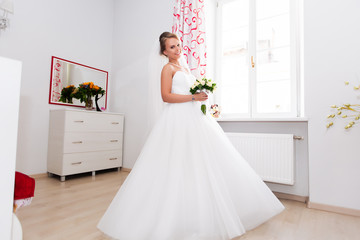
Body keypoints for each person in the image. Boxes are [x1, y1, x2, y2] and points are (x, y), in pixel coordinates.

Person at [97, 32, 284, 240]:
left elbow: (190, 92)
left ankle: (203, 211)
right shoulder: (167, 68)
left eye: (178, 45)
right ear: (164, 51)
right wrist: (193, 96)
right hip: (176, 118)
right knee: (176, 162)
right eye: (172, 47)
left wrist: (200, 95)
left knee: (203, 161)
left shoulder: (185, 68)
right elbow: (166, 96)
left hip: (195, 116)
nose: (177, 49)